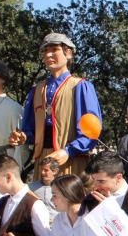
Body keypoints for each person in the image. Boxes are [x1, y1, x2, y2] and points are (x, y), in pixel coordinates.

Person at [10, 33, 102, 177]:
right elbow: (30, 129)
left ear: (69, 53)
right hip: (43, 163)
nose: (48, 55)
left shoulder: (80, 86)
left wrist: (69, 151)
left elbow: (91, 131)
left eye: (54, 49)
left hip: (70, 161)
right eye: (45, 51)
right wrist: (23, 137)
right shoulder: (37, 90)